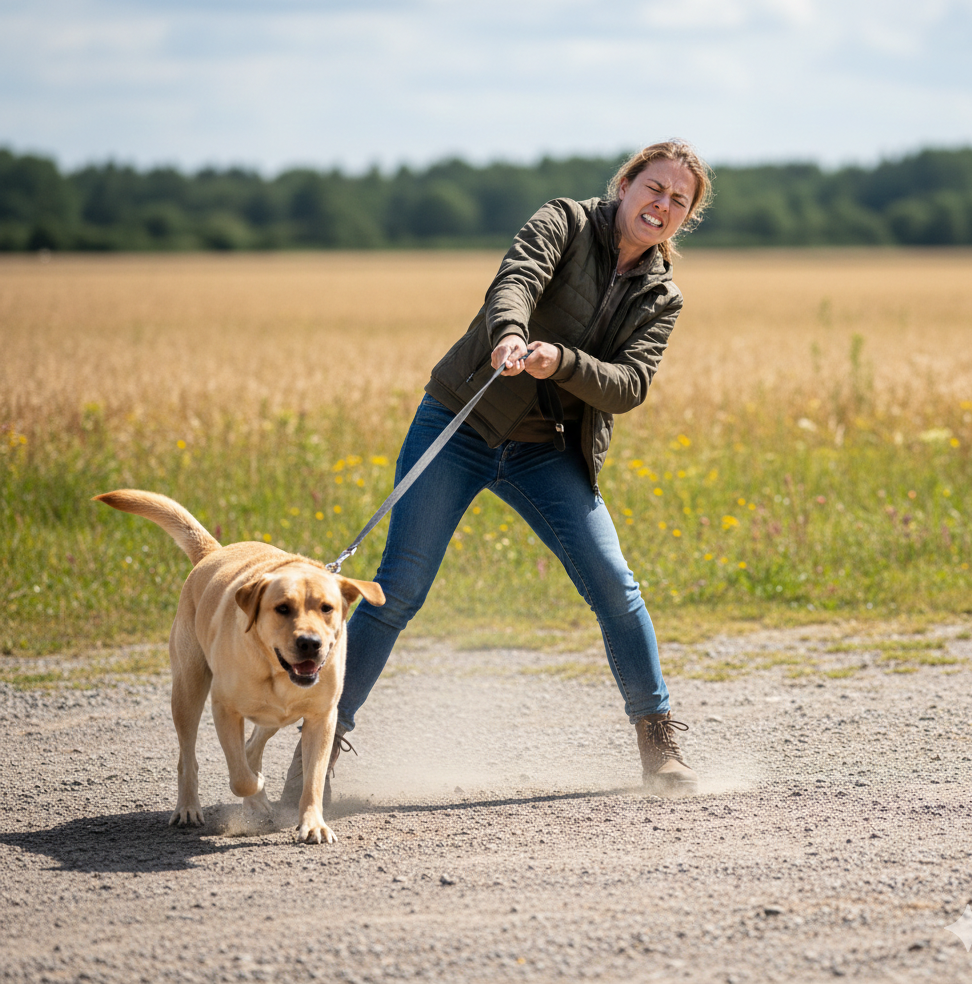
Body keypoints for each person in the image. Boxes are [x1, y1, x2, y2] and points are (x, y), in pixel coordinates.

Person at [283, 138, 713, 801]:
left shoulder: (663, 297)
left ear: (686, 217)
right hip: (459, 425)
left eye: (678, 200)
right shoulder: (564, 220)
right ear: (626, 184)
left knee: (615, 585)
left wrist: (561, 362)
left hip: (545, 452)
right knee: (397, 590)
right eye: (653, 188)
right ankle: (319, 751)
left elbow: (629, 385)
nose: (662, 204)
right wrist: (509, 334)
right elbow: (515, 280)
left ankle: (659, 746)